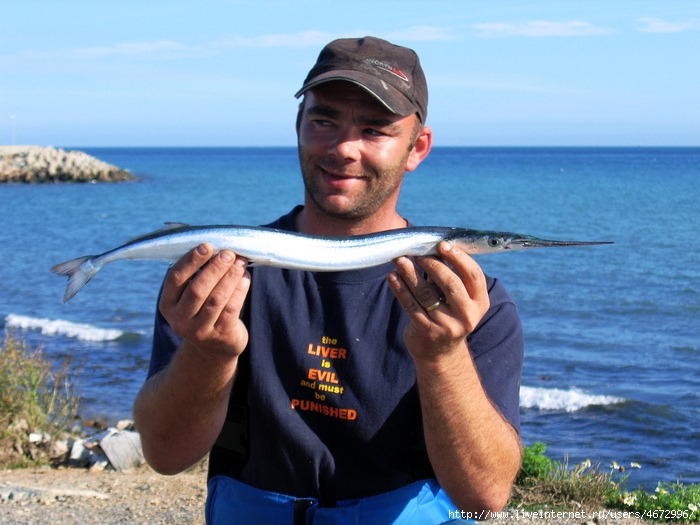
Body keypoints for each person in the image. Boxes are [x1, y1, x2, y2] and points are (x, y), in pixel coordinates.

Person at [133, 36, 524, 525]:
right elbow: (166, 456)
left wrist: (444, 356)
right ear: (298, 127)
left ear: (416, 148)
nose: (343, 148)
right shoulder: (220, 278)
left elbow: (483, 498)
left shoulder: (471, 304)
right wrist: (208, 354)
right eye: (323, 121)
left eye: (375, 129)